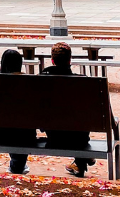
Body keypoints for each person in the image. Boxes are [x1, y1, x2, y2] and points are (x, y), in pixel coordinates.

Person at [41, 42, 95, 177]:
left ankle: (81, 161)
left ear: (52, 60)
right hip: (78, 138)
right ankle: (82, 159)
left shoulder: (41, 81)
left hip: (53, 135)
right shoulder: (82, 82)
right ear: (70, 60)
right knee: (79, 121)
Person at [0, 49, 33, 174]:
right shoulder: (28, 82)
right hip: (25, 135)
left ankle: (17, 165)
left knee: (10, 124)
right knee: (21, 127)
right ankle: (17, 165)